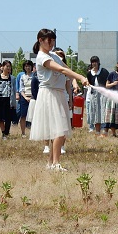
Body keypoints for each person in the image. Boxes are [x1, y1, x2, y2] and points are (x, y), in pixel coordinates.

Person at [30, 28, 88, 172]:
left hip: (59, 94)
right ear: (40, 41)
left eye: (53, 40)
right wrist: (80, 77)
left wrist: (75, 82)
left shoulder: (53, 55)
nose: (51, 43)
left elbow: (66, 68)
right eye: (49, 41)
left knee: (59, 129)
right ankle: (55, 163)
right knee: (59, 130)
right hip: (49, 94)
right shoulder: (42, 58)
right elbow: (61, 70)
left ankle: (51, 163)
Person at [0, 60, 17, 139]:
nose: (8, 68)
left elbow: (14, 90)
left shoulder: (12, 78)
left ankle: (5, 134)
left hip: (8, 100)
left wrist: (13, 102)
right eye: (7, 66)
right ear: (2, 67)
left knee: (8, 118)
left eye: (9, 66)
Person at [87, 55, 109, 137]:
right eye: (93, 62)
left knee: (103, 111)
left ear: (98, 62)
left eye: (96, 62)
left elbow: (108, 81)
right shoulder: (89, 73)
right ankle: (97, 131)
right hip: (94, 95)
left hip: (102, 94)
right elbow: (89, 83)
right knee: (95, 112)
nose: (94, 63)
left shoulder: (103, 71)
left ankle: (104, 131)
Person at [18, 60, 34, 138]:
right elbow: (21, 89)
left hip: (34, 98)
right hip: (24, 98)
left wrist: (32, 97)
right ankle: (23, 133)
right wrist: (25, 97)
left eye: (29, 66)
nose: (27, 67)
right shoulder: (22, 77)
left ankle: (34, 132)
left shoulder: (35, 76)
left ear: (32, 67)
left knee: (34, 116)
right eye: (26, 66)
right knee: (23, 115)